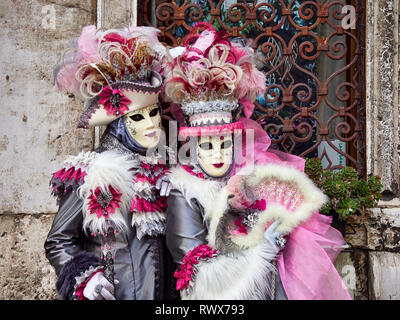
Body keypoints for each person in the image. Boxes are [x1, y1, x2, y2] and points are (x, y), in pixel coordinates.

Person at [163, 23, 351, 300]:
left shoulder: (247, 180)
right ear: (192, 147)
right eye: (206, 145)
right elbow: (199, 275)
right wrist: (261, 250)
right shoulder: (184, 193)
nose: (217, 154)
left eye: (224, 144)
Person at [44, 25, 176, 300]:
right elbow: (59, 241)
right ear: (118, 125)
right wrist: (87, 278)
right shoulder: (91, 171)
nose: (152, 124)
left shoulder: (166, 170)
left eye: (153, 113)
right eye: (137, 118)